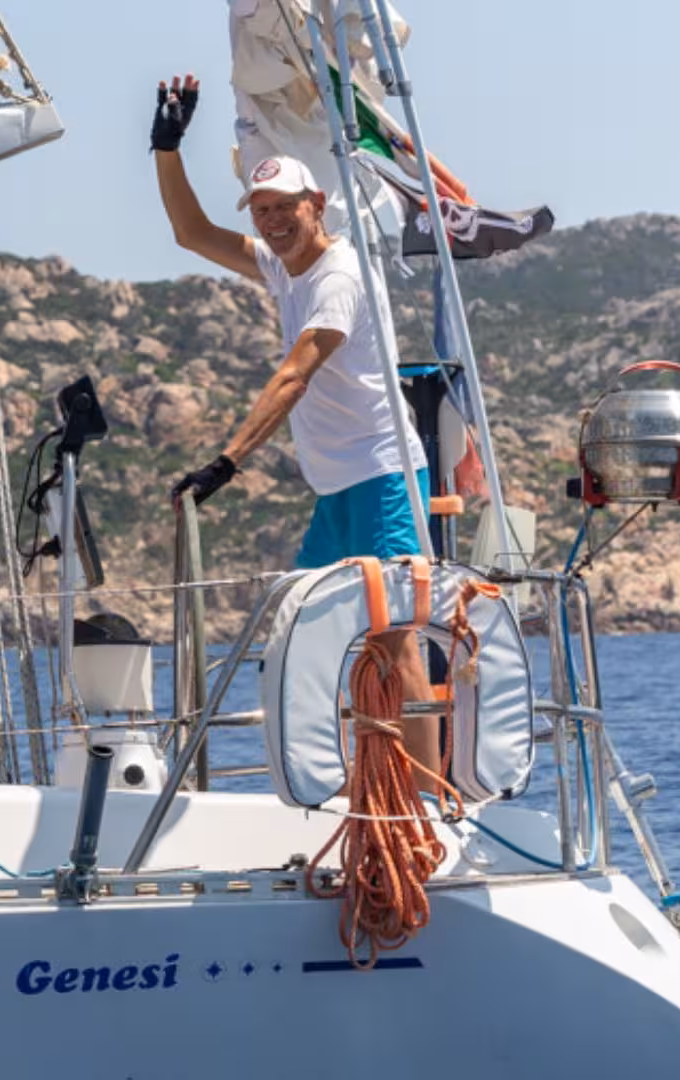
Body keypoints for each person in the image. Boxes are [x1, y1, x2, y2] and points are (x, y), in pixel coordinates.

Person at [150, 73, 439, 782]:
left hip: (383, 476)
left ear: (317, 205)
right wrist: (166, 146)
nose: (273, 220)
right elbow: (190, 234)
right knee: (309, 629)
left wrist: (226, 462)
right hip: (335, 488)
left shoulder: (339, 276)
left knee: (393, 638)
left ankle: (427, 802)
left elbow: (294, 376)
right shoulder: (282, 267)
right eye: (261, 210)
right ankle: (357, 780)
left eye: (285, 206)